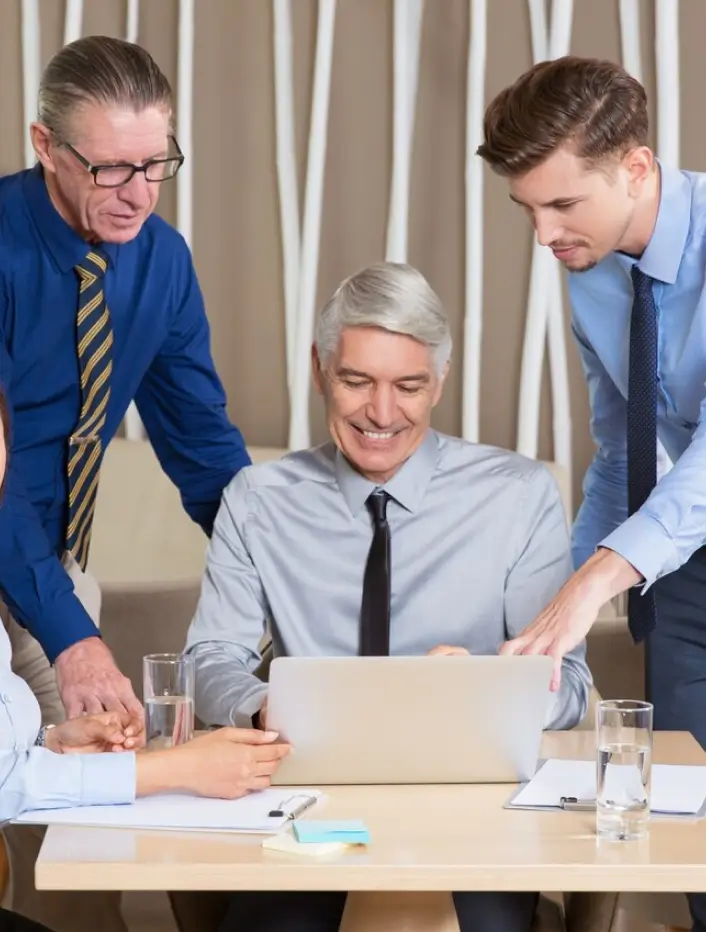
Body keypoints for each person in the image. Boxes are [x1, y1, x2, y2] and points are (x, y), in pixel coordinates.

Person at [184, 261, 592, 932]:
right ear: (320, 370)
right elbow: (209, 659)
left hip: (474, 821)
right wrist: (264, 705)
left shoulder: (518, 495)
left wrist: (491, 688)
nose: (381, 413)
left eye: (408, 386)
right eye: (356, 381)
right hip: (305, 813)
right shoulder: (258, 500)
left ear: (440, 381)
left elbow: (570, 686)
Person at [0, 34, 250, 932]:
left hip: (55, 567)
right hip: (23, 565)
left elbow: (202, 445)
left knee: (91, 832)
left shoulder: (160, 259)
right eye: (110, 168)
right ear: (45, 145)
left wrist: (277, 568)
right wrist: (72, 638)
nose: (138, 192)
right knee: (57, 798)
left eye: (156, 164)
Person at [476, 55, 706, 930]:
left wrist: (598, 580)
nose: (544, 234)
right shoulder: (591, 270)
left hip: (670, 535)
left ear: (636, 168)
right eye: (527, 208)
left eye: (564, 204)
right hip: (684, 567)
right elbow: (623, 452)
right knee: (692, 836)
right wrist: (550, 619)